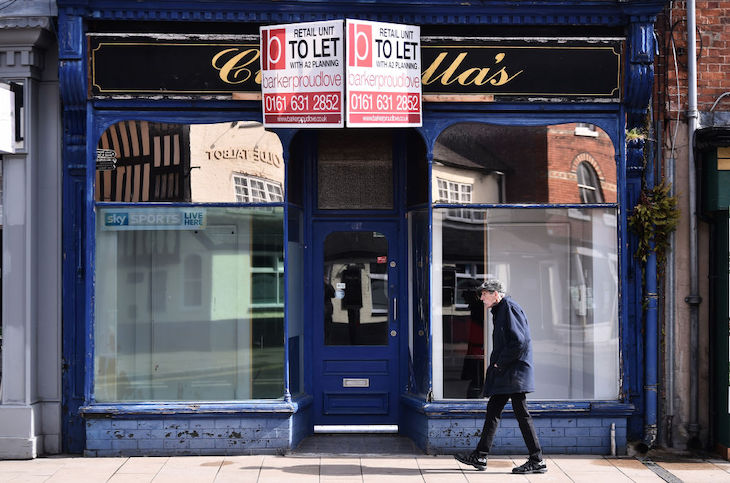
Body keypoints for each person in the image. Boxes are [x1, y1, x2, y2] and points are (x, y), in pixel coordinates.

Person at [454, 278, 547, 474]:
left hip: (514, 371)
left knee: (521, 414)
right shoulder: (501, 309)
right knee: (494, 410)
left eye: (484, 294)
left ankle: (537, 459)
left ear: (495, 294)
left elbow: (519, 342)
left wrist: (500, 362)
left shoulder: (509, 308)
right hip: (508, 371)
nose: (481, 298)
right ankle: (480, 455)